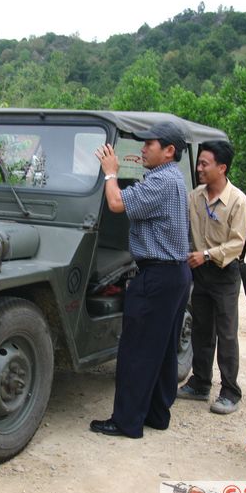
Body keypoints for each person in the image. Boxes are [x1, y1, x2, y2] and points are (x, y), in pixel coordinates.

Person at [90, 121, 192, 438]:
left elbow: (116, 203)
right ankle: (157, 414)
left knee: (137, 350)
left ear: (169, 151)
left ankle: (127, 422)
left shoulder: (162, 181)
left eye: (150, 144)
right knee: (161, 349)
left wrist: (110, 172)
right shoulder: (174, 179)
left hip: (158, 274)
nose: (143, 148)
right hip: (174, 274)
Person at [178, 140, 246, 415]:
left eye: (204, 164)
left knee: (227, 333)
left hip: (224, 273)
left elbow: (237, 244)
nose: (199, 168)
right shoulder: (195, 196)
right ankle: (200, 383)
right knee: (201, 328)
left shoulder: (238, 202)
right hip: (200, 272)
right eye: (198, 163)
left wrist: (206, 254)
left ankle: (230, 391)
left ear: (222, 168)